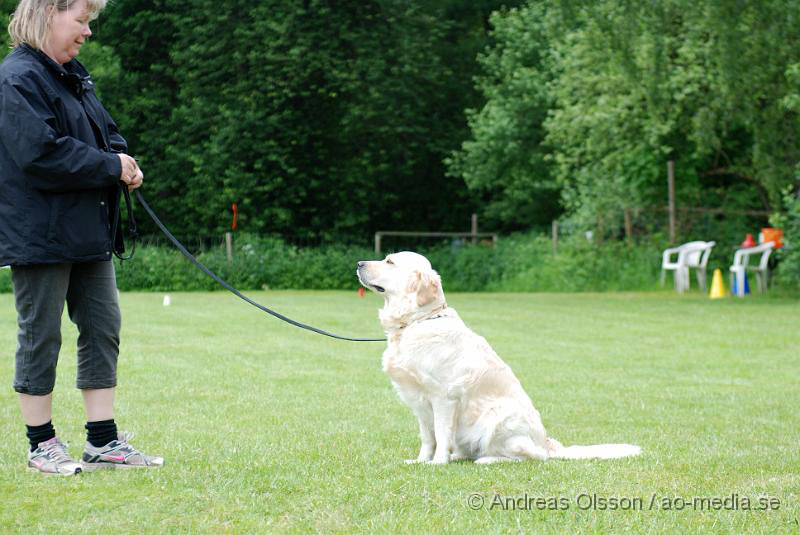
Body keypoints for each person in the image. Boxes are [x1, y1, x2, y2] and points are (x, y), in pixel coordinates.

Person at [0, 0, 162, 475]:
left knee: (102, 329)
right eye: (82, 20)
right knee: (41, 336)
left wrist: (122, 160)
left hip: (89, 230)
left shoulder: (75, 77)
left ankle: (103, 441)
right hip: (41, 234)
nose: (87, 32)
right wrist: (108, 165)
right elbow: (40, 154)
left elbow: (107, 134)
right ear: (49, 13)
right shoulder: (17, 78)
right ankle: (41, 445)